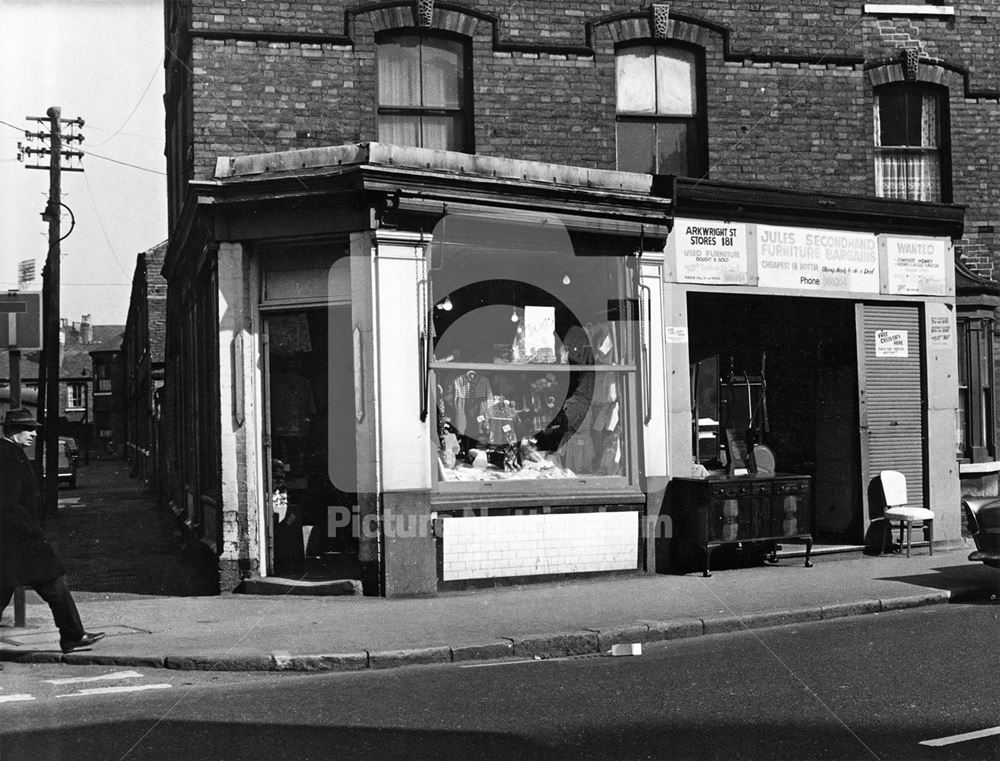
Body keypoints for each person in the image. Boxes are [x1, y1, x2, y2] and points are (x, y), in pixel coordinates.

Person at [0, 408, 104, 654]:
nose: (34, 434)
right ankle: (73, 635)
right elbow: (7, 503)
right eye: (29, 429)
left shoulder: (12, 452)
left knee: (54, 582)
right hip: (15, 541)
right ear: (14, 431)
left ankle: (73, 636)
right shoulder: (5, 456)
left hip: (19, 542)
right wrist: (31, 529)